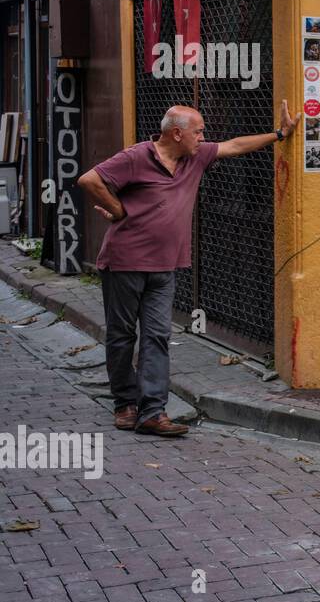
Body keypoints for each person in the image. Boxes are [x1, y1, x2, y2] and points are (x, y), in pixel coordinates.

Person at [77, 102, 302, 437]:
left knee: (157, 335)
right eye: (198, 131)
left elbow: (235, 145)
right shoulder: (137, 157)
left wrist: (280, 134)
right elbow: (89, 179)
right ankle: (125, 404)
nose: (203, 137)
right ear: (177, 133)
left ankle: (153, 411)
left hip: (165, 265)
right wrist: (119, 210)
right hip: (124, 262)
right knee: (122, 335)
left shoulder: (195, 157)